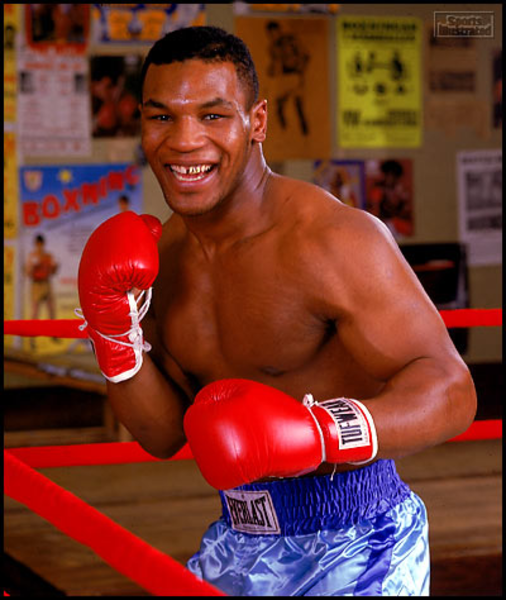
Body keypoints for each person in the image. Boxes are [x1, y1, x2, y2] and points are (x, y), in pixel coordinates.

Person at [77, 26, 477, 596]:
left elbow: (453, 391)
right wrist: (114, 336)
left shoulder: (332, 239)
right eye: (162, 116)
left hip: (360, 542)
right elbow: (161, 435)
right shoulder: (162, 258)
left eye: (213, 116)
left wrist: (319, 434)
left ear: (257, 122)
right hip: (237, 540)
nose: (184, 140)